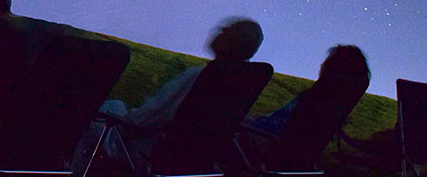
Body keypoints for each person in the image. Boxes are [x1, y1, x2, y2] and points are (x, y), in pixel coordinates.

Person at [72, 17, 264, 175]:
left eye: (227, 30)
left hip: (152, 151)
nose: (219, 30)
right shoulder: (237, 85)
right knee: (116, 105)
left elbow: (152, 115)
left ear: (235, 42)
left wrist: (120, 125)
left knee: (102, 115)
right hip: (194, 159)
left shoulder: (203, 76)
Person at [244, 44, 370, 136]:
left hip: (258, 141)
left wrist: (248, 122)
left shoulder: (316, 101)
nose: (321, 65)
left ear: (330, 67)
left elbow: (277, 128)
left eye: (326, 61)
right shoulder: (336, 106)